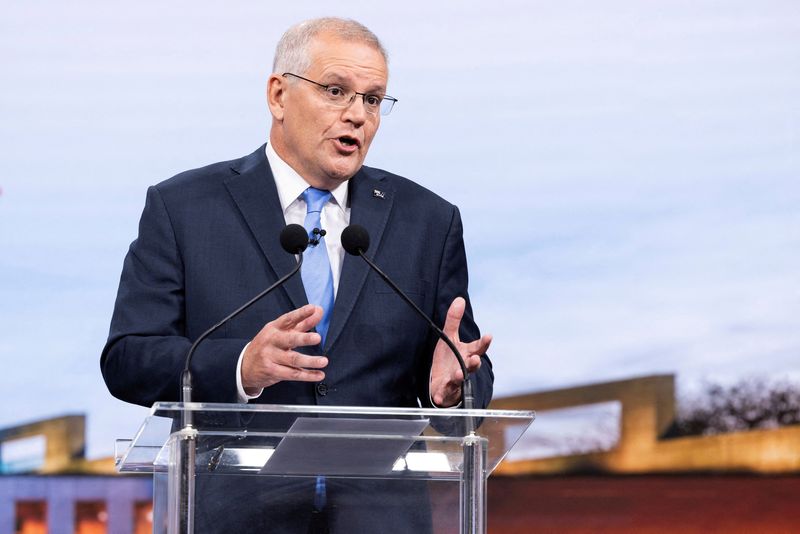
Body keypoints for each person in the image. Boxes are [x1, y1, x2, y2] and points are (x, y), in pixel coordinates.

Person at [101, 17, 493, 533]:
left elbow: (461, 365)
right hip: (235, 514)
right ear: (279, 95)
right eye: (337, 91)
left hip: (379, 518)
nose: (357, 115)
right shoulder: (184, 208)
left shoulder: (428, 220)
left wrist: (456, 388)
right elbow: (128, 357)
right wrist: (241, 365)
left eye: (373, 100)